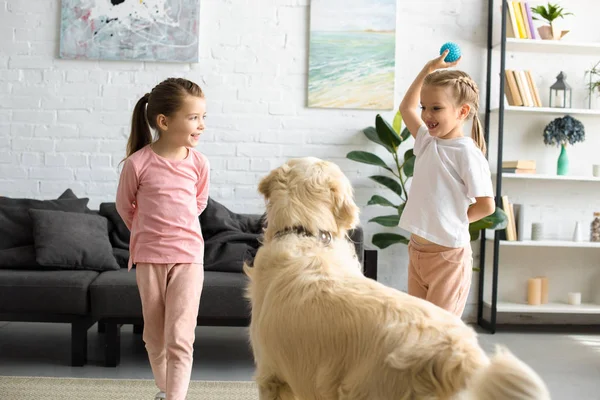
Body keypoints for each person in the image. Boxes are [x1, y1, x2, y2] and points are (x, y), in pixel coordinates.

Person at [116, 77, 210, 400]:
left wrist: (177, 230)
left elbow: (198, 203)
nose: (201, 126)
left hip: (188, 258)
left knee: (180, 336)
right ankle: (165, 388)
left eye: (203, 118)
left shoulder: (199, 164)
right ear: (164, 122)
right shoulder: (137, 164)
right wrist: (147, 233)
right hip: (149, 258)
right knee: (155, 338)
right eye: (194, 118)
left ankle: (175, 398)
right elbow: (124, 206)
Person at [398, 50, 495, 317]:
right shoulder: (428, 142)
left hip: (448, 257)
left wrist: (452, 220)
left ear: (462, 111)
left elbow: (486, 205)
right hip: (417, 251)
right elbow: (406, 108)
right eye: (425, 107)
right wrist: (428, 69)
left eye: (436, 108)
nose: (427, 114)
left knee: (440, 330)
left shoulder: (466, 153)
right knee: (419, 325)